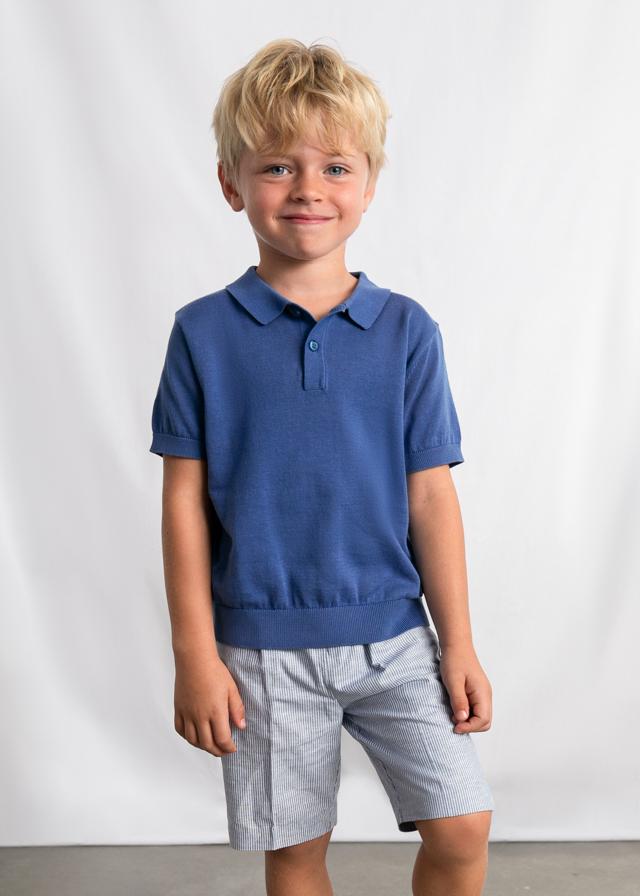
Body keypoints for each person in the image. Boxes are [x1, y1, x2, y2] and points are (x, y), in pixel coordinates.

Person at [149, 37, 495, 896]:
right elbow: (183, 503)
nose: (308, 189)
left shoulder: (407, 331)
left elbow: (431, 496)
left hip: (397, 639)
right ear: (231, 183)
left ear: (369, 186)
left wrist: (458, 643)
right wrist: (195, 653)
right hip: (261, 651)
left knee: (462, 827)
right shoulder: (202, 334)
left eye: (336, 167)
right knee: (298, 854)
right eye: (277, 167)